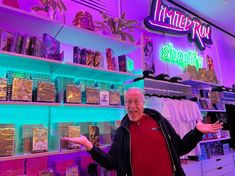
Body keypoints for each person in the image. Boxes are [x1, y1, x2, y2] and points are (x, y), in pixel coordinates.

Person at [63, 87, 223, 176]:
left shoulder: (160, 121)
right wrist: (89, 146)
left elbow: (179, 148)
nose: (132, 106)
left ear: (143, 102)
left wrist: (196, 132)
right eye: (128, 102)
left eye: (136, 101)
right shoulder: (122, 132)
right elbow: (112, 163)